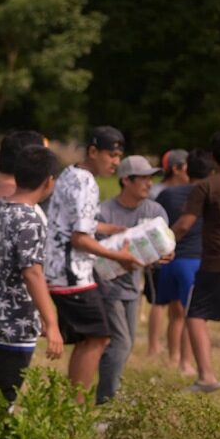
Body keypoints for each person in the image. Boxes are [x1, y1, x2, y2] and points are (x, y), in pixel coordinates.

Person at [44, 126, 144, 401]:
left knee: (89, 338)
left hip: (58, 269)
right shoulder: (87, 183)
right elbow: (80, 239)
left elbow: (76, 223)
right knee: (99, 337)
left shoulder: (70, 173)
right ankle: (75, 410)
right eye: (111, 155)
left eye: (119, 156)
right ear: (93, 151)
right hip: (71, 274)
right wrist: (120, 257)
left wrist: (111, 229)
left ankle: (71, 407)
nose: (116, 162)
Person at [0, 145, 64, 401]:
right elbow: (32, 272)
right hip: (15, 324)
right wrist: (51, 323)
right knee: (4, 401)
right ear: (48, 181)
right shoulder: (30, 219)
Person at [95, 156, 171, 404]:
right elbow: (92, 253)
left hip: (132, 287)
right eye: (144, 178)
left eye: (151, 178)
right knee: (121, 343)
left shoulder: (154, 212)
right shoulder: (104, 212)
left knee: (123, 345)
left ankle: (109, 393)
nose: (149, 184)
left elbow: (162, 248)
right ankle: (106, 403)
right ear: (126, 180)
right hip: (106, 286)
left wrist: (165, 254)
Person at [176, 130, 220, 393]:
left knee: (196, 315)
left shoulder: (207, 186)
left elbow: (185, 224)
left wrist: (165, 243)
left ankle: (206, 377)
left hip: (217, 263)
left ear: (214, 158)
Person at [155, 150, 213, 375]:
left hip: (170, 260)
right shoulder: (211, 193)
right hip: (194, 261)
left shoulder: (168, 194)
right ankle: (186, 364)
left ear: (188, 169)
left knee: (175, 313)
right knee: (193, 315)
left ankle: (173, 357)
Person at [145, 149, 189, 357]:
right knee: (159, 301)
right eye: (186, 167)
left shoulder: (185, 192)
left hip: (178, 253)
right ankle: (153, 346)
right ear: (176, 168)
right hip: (159, 253)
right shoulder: (156, 193)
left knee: (177, 305)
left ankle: (172, 348)